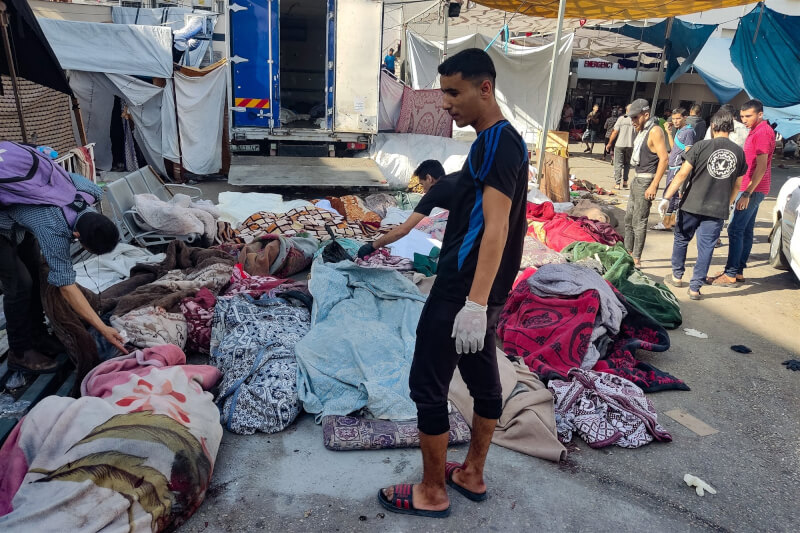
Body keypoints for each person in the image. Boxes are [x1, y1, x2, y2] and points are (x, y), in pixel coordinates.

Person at [378, 48, 528, 518]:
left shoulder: (499, 143)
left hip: (463, 290)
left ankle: (431, 491)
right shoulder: (494, 143)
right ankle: (472, 474)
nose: (445, 103)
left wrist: (474, 304)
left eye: (453, 91)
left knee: (427, 384)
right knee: (483, 380)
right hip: (484, 292)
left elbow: (498, 227)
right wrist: (407, 224)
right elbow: (456, 189)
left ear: (485, 88)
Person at [0, 140, 127, 373]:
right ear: (77, 235)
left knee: (37, 272)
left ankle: (37, 336)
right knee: (19, 284)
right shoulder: (53, 227)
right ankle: (20, 352)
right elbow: (66, 285)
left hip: (19, 212)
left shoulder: (91, 192)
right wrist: (102, 328)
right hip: (5, 221)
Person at [663, 109, 747, 300]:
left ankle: (677, 276)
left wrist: (667, 197)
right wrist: (728, 202)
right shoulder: (739, 153)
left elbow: (682, 174)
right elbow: (738, 185)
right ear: (731, 128)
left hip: (692, 203)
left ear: (713, 125)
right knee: (706, 247)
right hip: (717, 208)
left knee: (681, 239)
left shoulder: (701, 146)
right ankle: (695, 288)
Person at [710, 99, 775, 286]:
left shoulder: (762, 132)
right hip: (754, 188)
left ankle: (730, 273)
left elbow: (761, 167)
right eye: (742, 116)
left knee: (735, 229)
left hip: (752, 189)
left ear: (760, 114)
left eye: (749, 116)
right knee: (745, 230)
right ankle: (737, 271)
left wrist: (747, 193)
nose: (744, 120)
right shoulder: (757, 130)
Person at [357, 160, 449, 259]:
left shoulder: (433, 193)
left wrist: (373, 246)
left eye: (422, 184)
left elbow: (403, 230)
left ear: (429, 178)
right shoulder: (455, 179)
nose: (423, 190)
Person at [623, 99, 669, 267]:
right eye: (631, 118)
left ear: (646, 115)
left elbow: (664, 159)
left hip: (646, 180)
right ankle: (627, 251)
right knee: (628, 218)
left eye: (635, 117)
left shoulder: (655, 131)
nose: (633, 121)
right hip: (637, 178)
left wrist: (654, 184)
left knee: (639, 220)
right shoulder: (641, 130)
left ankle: (636, 257)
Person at [654, 107, 695, 230]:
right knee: (673, 195)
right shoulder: (680, 130)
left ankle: (666, 222)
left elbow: (688, 151)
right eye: (674, 118)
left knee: (670, 194)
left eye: (678, 118)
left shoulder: (688, 132)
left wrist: (683, 169)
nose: (676, 121)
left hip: (678, 167)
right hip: (673, 166)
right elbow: (674, 147)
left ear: (685, 118)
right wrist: (668, 133)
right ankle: (671, 220)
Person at [607, 104, 634, 189]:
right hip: (630, 145)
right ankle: (625, 182)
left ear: (626, 110)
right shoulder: (635, 120)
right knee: (627, 164)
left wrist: (609, 143)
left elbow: (615, 132)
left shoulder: (621, 119)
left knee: (618, 164)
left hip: (620, 144)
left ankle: (618, 184)